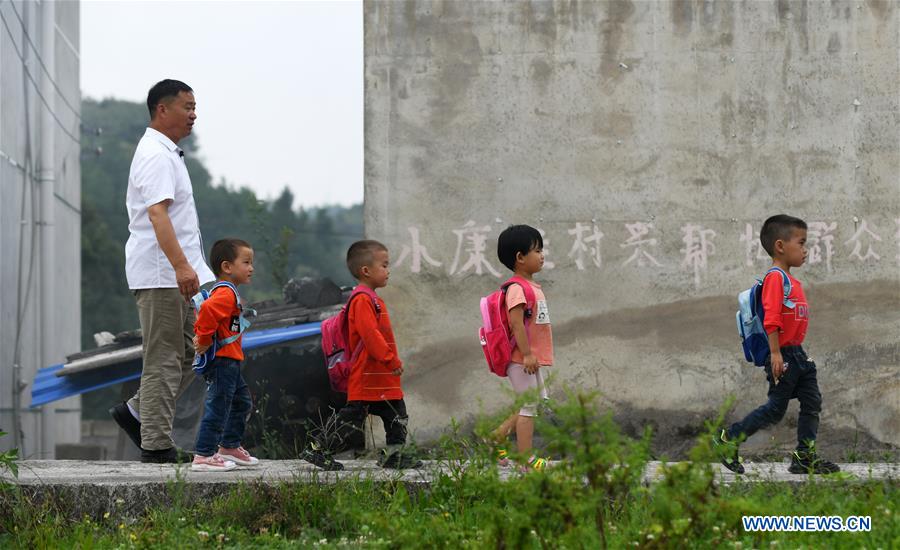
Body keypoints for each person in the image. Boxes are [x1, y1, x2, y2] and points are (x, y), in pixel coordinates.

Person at [110, 79, 215, 463]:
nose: (193, 114)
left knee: (190, 351)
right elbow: (157, 214)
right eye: (187, 106)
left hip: (173, 273)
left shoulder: (168, 153)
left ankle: (137, 412)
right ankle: (155, 444)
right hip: (161, 274)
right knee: (165, 357)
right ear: (162, 109)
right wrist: (181, 266)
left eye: (194, 106)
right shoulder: (155, 154)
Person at [715, 215, 840, 475]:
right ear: (781, 246)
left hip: (798, 355)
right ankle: (729, 439)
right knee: (775, 409)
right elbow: (771, 318)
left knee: (812, 401)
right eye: (801, 243)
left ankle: (804, 456)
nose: (806, 250)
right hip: (783, 355)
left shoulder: (792, 281)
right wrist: (774, 353)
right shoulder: (775, 278)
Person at [302, 240, 421, 470]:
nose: (388, 271)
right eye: (384, 265)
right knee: (352, 416)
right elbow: (370, 335)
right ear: (365, 271)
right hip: (367, 374)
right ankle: (318, 449)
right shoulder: (362, 300)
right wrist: (390, 360)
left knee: (396, 413)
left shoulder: (372, 298)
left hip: (381, 377)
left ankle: (393, 455)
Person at [488, 225, 553, 470]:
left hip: (531, 358)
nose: (542, 255)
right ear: (520, 257)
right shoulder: (517, 288)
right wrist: (526, 354)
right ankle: (526, 461)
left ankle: (496, 437)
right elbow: (516, 324)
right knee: (528, 407)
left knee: (531, 404)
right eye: (537, 250)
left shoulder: (532, 286)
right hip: (522, 359)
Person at [190, 239, 258, 472]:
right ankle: (204, 454)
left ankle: (229, 446)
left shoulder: (228, 292)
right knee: (218, 406)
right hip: (223, 361)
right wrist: (205, 340)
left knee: (241, 402)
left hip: (230, 361)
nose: (251, 268)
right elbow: (208, 311)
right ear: (227, 267)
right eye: (246, 262)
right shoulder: (226, 294)